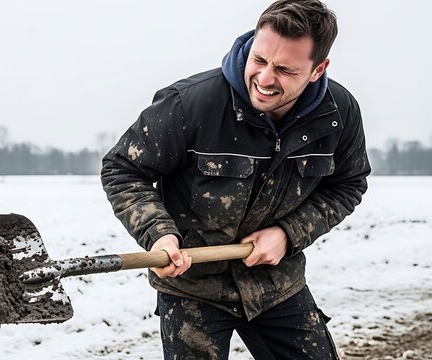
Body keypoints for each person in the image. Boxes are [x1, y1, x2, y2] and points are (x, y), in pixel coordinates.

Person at [100, 0, 370, 359]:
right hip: (193, 286)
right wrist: (159, 233)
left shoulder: (337, 114)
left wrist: (288, 235)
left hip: (276, 282)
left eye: (285, 70)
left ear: (318, 69)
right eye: (259, 60)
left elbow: (347, 186)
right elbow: (122, 169)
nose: (265, 78)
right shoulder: (191, 104)